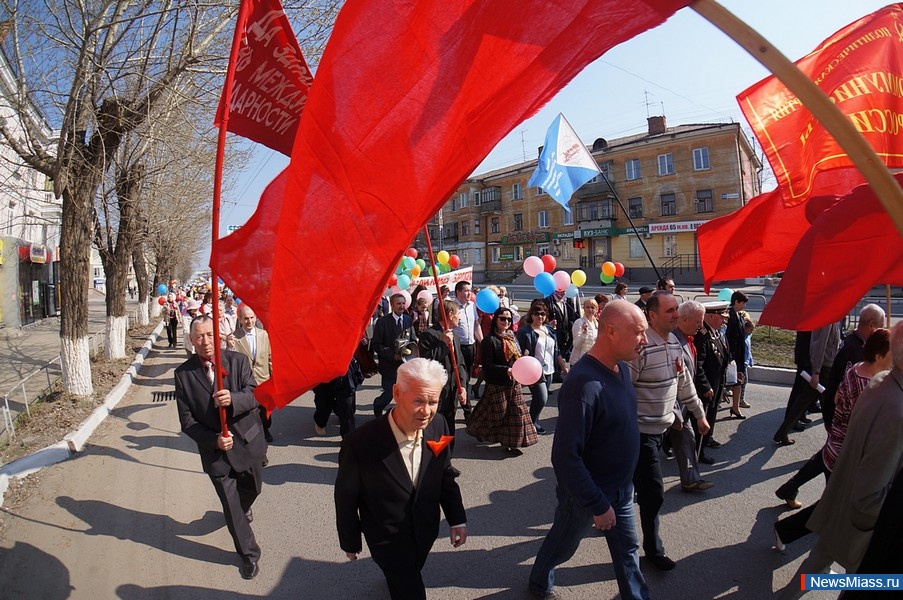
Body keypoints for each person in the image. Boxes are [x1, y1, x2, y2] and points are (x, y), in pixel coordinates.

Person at [528, 301, 650, 600]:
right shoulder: (583, 384)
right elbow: (565, 457)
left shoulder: (620, 368)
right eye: (638, 333)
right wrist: (597, 504)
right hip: (587, 496)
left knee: (628, 551)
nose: (645, 340)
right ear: (610, 331)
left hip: (621, 489)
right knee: (563, 545)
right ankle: (539, 581)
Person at [776, 322, 903, 599]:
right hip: (863, 520)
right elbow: (871, 492)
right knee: (878, 583)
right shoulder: (897, 409)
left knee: (817, 563)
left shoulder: (879, 382)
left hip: (841, 499)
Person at [335, 358, 467, 600]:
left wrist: (457, 517)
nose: (426, 411)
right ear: (397, 393)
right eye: (418, 400)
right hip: (386, 539)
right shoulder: (360, 443)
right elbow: (345, 497)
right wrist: (350, 541)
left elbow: (445, 473)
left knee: (408, 574)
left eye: (433, 401)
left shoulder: (439, 425)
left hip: (425, 530)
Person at [774, 328, 890, 545]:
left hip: (837, 443)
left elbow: (837, 398)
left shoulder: (856, 370)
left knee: (833, 504)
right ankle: (790, 532)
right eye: (891, 354)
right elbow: (865, 425)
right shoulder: (870, 386)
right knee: (835, 506)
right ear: (879, 355)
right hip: (846, 453)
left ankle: (790, 525)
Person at [174, 315, 268, 580]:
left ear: (218, 336)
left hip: (247, 444)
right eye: (199, 337)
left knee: (252, 489)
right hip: (216, 453)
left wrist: (233, 399)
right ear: (191, 341)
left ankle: (242, 507)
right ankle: (248, 555)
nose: (205, 342)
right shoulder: (183, 375)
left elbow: (255, 395)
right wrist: (213, 440)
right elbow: (187, 422)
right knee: (232, 507)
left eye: (209, 335)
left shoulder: (237, 362)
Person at [628, 291, 710, 571]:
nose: (676, 315)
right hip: (638, 434)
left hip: (660, 429)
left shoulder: (674, 343)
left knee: (629, 486)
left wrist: (699, 415)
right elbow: (622, 392)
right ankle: (653, 549)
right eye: (670, 311)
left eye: (677, 309)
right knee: (653, 492)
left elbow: (685, 384)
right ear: (652, 316)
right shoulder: (639, 348)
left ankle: (610, 510)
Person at [466, 307, 537, 453]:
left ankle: (512, 443)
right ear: (496, 320)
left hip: (514, 382)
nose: (506, 322)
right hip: (497, 382)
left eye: (509, 319)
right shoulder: (489, 340)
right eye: (502, 318)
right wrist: (506, 370)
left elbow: (516, 358)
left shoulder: (512, 337)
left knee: (516, 413)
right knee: (496, 413)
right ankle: (479, 429)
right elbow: (487, 365)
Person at [669, 300, 715, 486]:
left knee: (687, 439)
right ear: (684, 319)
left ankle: (690, 480)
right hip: (669, 407)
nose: (701, 325)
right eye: (698, 321)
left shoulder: (688, 339)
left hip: (684, 403)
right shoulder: (672, 341)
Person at [773, 320, 842, 444]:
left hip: (823, 367)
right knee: (828, 405)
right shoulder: (827, 319)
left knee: (803, 401)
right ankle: (836, 440)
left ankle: (782, 433)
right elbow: (819, 345)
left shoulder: (833, 318)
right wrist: (816, 371)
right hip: (823, 368)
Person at [821, 304, 885, 429]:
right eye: (880, 327)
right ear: (872, 325)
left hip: (835, 413)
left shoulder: (852, 340)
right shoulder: (856, 350)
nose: (881, 331)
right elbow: (846, 390)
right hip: (841, 419)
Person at [417, 299, 468, 447]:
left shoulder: (455, 337)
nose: (460, 317)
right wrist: (443, 344)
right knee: (435, 429)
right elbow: (427, 361)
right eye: (458, 314)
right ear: (450, 314)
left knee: (449, 428)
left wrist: (463, 386)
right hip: (436, 393)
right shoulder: (429, 335)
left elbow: (461, 365)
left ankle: (447, 460)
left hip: (452, 392)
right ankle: (433, 461)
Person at [517, 299, 570, 434]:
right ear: (531, 315)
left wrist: (563, 367)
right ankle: (531, 423)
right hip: (534, 371)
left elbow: (556, 351)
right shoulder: (525, 332)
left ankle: (533, 422)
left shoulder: (550, 330)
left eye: (542, 314)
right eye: (536, 313)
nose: (540, 316)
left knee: (539, 400)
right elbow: (519, 352)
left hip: (549, 369)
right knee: (542, 398)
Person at [233, 304, 274, 444]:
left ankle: (266, 429)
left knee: (265, 411)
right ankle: (254, 436)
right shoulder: (234, 337)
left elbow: (270, 358)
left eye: (251, 318)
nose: (249, 321)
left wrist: (273, 378)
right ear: (240, 319)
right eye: (245, 318)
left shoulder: (264, 335)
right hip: (245, 383)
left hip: (263, 380)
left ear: (256, 318)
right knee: (250, 412)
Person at [694, 302, 731, 461]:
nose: (724, 321)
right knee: (701, 419)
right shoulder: (702, 335)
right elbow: (699, 365)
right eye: (721, 317)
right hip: (706, 387)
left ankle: (707, 439)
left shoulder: (715, 333)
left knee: (712, 413)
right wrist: (705, 386)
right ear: (710, 316)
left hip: (717, 383)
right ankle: (698, 452)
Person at [372, 293, 417, 417]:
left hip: (405, 365)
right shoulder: (383, 322)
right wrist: (392, 356)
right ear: (392, 305)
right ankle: (378, 405)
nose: (402, 306)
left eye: (403, 303)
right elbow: (376, 344)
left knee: (405, 393)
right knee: (388, 394)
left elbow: (412, 339)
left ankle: (401, 416)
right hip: (388, 366)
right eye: (398, 304)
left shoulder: (408, 319)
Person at [312, 358, 362, 438]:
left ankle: (348, 436)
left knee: (346, 403)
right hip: (323, 366)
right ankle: (320, 422)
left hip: (344, 368)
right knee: (324, 400)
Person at [452, 281, 482, 417]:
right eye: (465, 291)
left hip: (471, 346)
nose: (469, 293)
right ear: (458, 292)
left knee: (467, 378)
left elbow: (476, 325)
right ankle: (467, 411)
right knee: (460, 377)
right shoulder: (452, 307)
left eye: (470, 290)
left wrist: (483, 342)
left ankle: (465, 403)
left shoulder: (472, 306)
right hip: (457, 347)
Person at [725, 291, 749, 419]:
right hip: (731, 355)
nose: (744, 306)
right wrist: (729, 356)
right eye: (743, 303)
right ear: (736, 302)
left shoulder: (739, 315)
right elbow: (727, 336)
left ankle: (735, 407)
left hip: (738, 355)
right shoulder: (728, 315)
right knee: (729, 382)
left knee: (738, 381)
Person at [543, 289, 579, 363]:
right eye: (561, 291)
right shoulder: (547, 302)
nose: (564, 293)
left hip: (563, 338)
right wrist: (548, 324)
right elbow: (542, 320)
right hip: (552, 336)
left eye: (564, 291)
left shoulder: (564, 302)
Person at [570, 298, 599, 365]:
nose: (590, 310)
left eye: (592, 307)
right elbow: (576, 344)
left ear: (596, 310)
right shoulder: (579, 322)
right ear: (584, 309)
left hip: (591, 360)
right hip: (578, 361)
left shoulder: (596, 324)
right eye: (587, 307)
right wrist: (584, 333)